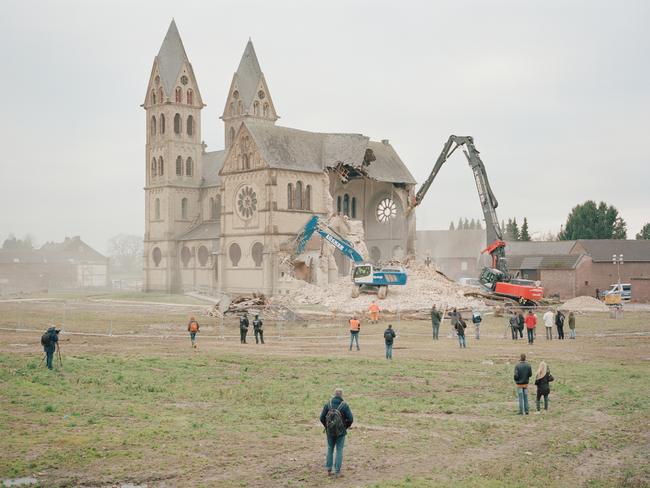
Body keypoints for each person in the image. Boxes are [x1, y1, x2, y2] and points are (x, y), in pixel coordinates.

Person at [319, 388, 354, 477]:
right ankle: (337, 471)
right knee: (339, 450)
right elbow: (350, 419)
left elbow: (321, 418)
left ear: (334, 394)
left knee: (330, 448)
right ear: (341, 395)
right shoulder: (344, 405)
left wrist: (327, 427)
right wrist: (344, 427)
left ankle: (329, 469)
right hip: (341, 432)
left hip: (330, 432)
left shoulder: (328, 404)